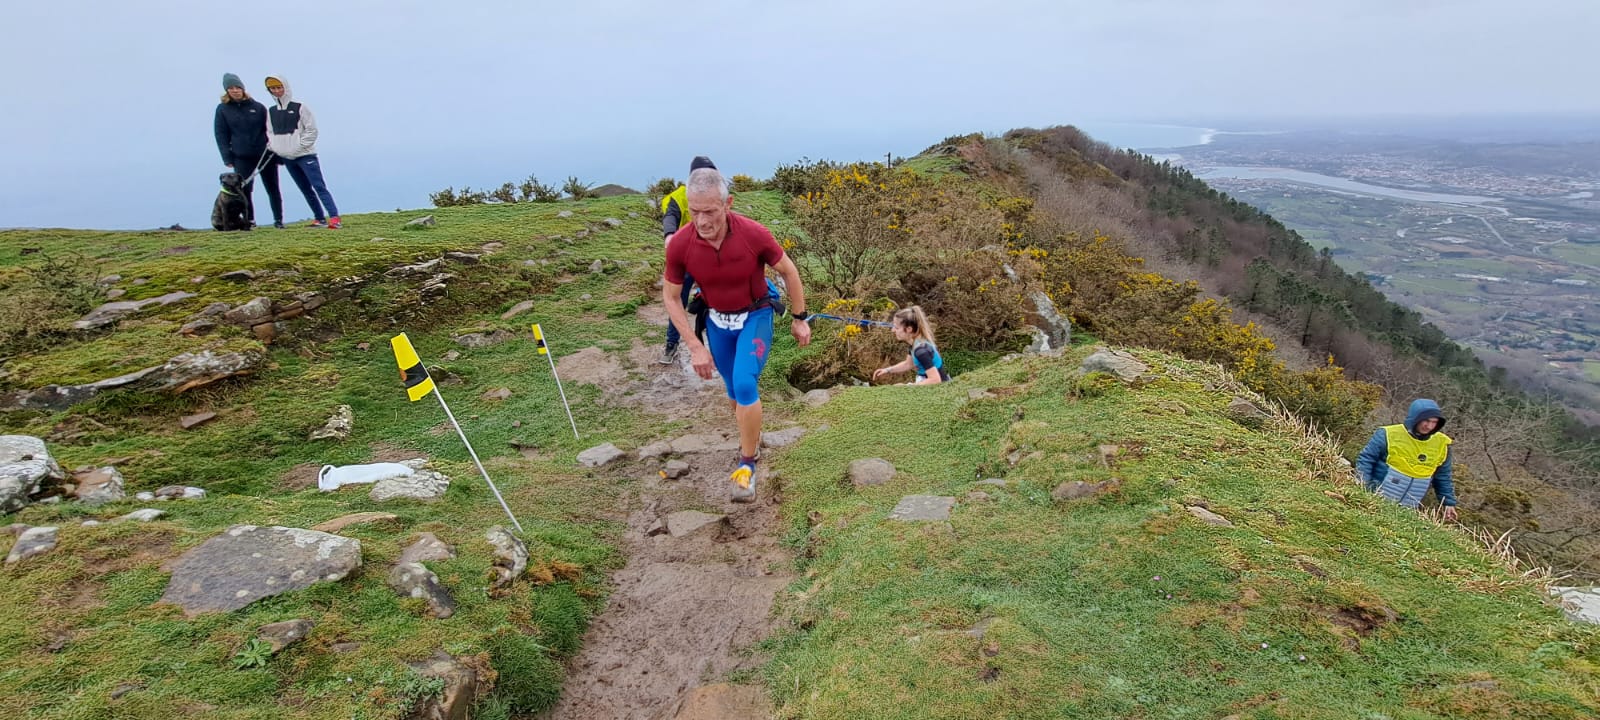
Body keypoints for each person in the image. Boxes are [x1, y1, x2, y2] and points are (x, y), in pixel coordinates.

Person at [663, 166, 811, 502]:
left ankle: (747, 466)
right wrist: (694, 346)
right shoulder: (681, 245)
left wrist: (800, 318)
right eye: (695, 211)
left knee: (745, 384)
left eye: (710, 211)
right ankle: (751, 436)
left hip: (755, 315)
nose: (702, 221)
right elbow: (670, 297)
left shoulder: (753, 233)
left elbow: (788, 271)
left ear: (728, 203)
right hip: (716, 322)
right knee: (733, 392)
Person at [657, 156, 717, 364]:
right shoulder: (679, 196)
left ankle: (719, 345)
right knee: (677, 301)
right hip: (684, 259)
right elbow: (670, 216)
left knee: (718, 300)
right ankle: (671, 345)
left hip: (710, 257)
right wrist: (670, 235)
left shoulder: (717, 195)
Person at [1357, 398, 1458, 521]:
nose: (1429, 426)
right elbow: (1366, 459)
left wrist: (1448, 502)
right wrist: (1362, 487)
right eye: (1426, 420)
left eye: (1434, 422)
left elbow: (1442, 476)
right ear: (1415, 418)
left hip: (1406, 511)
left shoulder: (1442, 443)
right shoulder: (1387, 434)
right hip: (1374, 500)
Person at [264, 75, 341, 229]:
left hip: (305, 155)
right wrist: (277, 148)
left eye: (279, 87)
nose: (277, 91)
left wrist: (299, 146)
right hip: (288, 158)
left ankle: (334, 218)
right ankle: (319, 218)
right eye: (273, 88)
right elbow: (270, 133)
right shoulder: (271, 111)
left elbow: (311, 130)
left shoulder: (300, 107)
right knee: (305, 188)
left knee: (318, 186)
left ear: (285, 88)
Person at [213, 73, 282, 228]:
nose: (235, 90)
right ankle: (249, 220)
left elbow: (271, 130)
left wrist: (278, 153)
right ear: (227, 91)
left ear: (243, 88)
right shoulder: (222, 109)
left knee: (273, 187)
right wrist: (227, 157)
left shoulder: (258, 107)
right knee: (245, 190)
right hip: (241, 156)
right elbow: (221, 134)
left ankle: (278, 220)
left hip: (265, 153)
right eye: (231, 88)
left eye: (237, 87)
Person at [872, 306, 949, 385]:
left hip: (938, 388)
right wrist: (887, 370)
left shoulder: (921, 351)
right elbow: (908, 364)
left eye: (896, 328)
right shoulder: (915, 344)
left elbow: (935, 380)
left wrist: (907, 386)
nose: (893, 330)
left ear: (909, 329)